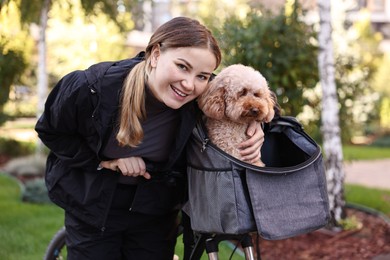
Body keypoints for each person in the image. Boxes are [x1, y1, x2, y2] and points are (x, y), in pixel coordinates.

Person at [35, 17, 265, 260]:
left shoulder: (201, 96)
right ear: (155, 55)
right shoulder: (93, 87)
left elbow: (256, 100)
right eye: (182, 67)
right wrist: (104, 162)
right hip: (94, 203)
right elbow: (52, 131)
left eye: (203, 76)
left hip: (154, 208)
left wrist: (258, 126)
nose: (189, 85)